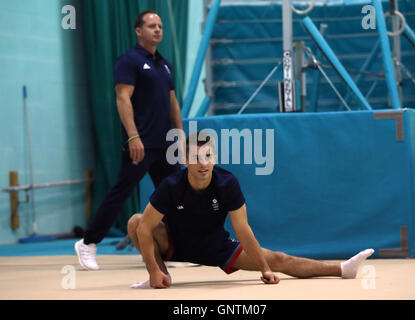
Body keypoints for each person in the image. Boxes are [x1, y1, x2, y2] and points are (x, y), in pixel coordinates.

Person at [127, 132, 374, 289]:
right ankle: (160, 277)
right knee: (136, 222)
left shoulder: (226, 183)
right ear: (185, 161)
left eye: (208, 156)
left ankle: (342, 268)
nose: (203, 163)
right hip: (175, 243)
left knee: (278, 259)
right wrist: (152, 270)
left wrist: (265, 267)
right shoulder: (171, 186)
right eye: (196, 157)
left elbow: (242, 228)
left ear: (214, 157)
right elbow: (147, 228)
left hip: (216, 247)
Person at [75, 10, 184, 270]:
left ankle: (170, 250)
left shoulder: (165, 64)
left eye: (159, 26)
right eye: (151, 26)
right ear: (138, 31)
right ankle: (88, 243)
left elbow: (172, 102)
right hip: (141, 143)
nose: (157, 29)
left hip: (166, 144)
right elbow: (122, 99)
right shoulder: (129, 61)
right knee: (121, 192)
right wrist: (133, 135)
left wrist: (179, 134)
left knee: (174, 196)